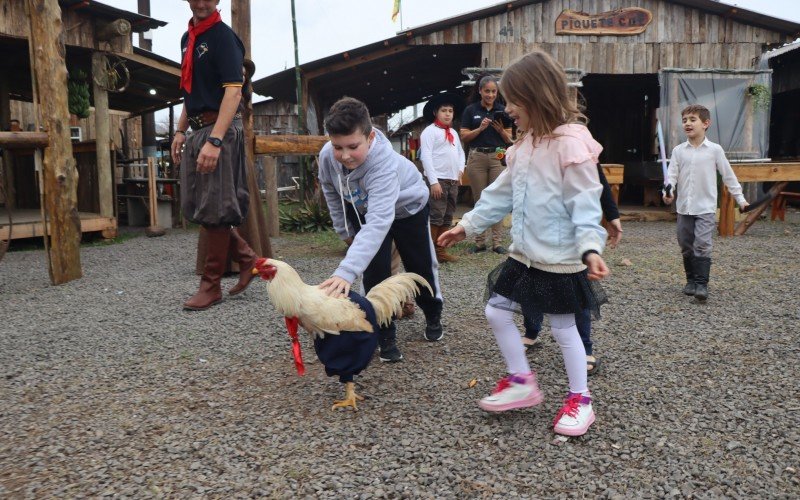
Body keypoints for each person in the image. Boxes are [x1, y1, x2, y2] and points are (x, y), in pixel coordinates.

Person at [439, 50, 609, 436]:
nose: (506, 107)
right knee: (497, 311)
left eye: (513, 100)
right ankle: (521, 380)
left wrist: (590, 248)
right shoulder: (523, 146)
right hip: (524, 253)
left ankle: (581, 399)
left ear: (536, 96)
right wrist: (466, 225)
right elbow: (500, 194)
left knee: (564, 330)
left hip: (561, 258)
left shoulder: (571, 144)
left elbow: (585, 202)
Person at [317, 97, 444, 363]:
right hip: (365, 208)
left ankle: (433, 312)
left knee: (419, 266)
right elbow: (330, 190)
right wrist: (343, 230)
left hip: (407, 208)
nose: (345, 155)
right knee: (375, 273)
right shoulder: (328, 156)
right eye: (338, 146)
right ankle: (384, 334)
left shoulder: (383, 165)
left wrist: (345, 271)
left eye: (353, 146)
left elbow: (378, 223)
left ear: (370, 136)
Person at [171, 0, 258, 311]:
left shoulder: (223, 37)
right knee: (200, 205)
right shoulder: (188, 38)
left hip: (217, 129)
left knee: (216, 207)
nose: (201, 2)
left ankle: (211, 286)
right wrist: (181, 131)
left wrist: (216, 141)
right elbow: (189, 91)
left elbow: (233, 92)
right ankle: (247, 259)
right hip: (197, 130)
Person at [522, 165, 623, 376]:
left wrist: (612, 215)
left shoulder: (579, 144)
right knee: (531, 284)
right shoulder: (532, 142)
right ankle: (531, 331)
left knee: (577, 292)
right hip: (537, 229)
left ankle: (585, 347)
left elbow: (599, 182)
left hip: (574, 232)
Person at [663, 104, 748, 301]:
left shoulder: (715, 150)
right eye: (684, 120)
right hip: (684, 207)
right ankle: (691, 280)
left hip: (705, 208)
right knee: (685, 244)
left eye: (693, 120)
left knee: (702, 243)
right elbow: (671, 177)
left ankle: (702, 284)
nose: (687, 123)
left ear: (706, 123)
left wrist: (741, 200)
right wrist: (668, 192)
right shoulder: (678, 151)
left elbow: (728, 176)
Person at [460, 75, 514, 254]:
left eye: (494, 91)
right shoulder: (470, 110)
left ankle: (497, 242)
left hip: (498, 155)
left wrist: (500, 131)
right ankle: (480, 241)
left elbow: (511, 139)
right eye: (487, 91)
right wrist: (480, 128)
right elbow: (464, 136)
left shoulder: (504, 111)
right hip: (477, 156)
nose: (490, 95)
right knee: (480, 200)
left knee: (498, 199)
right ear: (480, 91)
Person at [419, 93, 465, 263]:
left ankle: (440, 251)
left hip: (452, 180)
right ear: (435, 113)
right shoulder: (429, 132)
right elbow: (426, 157)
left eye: (450, 111)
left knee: (447, 215)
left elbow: (460, 153)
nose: (447, 114)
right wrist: (433, 182)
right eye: (444, 110)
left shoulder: (453, 132)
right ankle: (428, 253)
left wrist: (460, 170)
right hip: (438, 181)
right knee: (436, 215)